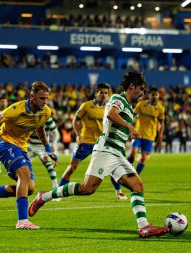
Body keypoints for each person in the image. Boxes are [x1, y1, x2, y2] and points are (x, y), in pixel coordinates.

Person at [28, 71, 170, 238]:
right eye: (141, 89)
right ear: (132, 87)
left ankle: (144, 227)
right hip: (106, 150)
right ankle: (43, 197)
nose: (142, 93)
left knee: (137, 186)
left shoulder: (130, 107)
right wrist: (130, 127)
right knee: (87, 188)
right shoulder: (119, 98)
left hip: (117, 154)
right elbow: (111, 114)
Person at [0, 81, 57, 229]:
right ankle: (22, 221)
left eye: (46, 98)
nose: (45, 102)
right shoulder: (14, 110)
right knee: (24, 176)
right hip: (5, 144)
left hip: (22, 148)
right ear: (32, 97)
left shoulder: (46, 112)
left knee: (29, 188)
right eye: (41, 98)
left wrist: (48, 148)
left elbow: (40, 127)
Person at [58, 83, 127, 200]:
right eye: (101, 92)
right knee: (72, 167)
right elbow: (75, 120)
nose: (104, 95)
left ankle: (119, 191)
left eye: (106, 93)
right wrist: (79, 135)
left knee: (112, 168)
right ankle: (58, 192)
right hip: (86, 142)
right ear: (96, 93)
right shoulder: (86, 106)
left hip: (102, 143)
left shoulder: (110, 108)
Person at [127, 87, 164, 174]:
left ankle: (135, 176)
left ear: (158, 96)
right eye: (152, 94)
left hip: (150, 136)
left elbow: (161, 124)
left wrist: (160, 137)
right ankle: (126, 171)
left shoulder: (160, 108)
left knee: (143, 158)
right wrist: (130, 128)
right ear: (149, 95)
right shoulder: (141, 104)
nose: (154, 96)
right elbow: (132, 115)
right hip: (138, 133)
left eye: (156, 95)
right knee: (133, 152)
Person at [28, 117, 60, 191]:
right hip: (30, 146)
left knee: (48, 164)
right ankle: (26, 185)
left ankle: (55, 186)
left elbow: (55, 132)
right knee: (22, 166)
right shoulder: (28, 115)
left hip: (43, 146)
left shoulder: (47, 117)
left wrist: (54, 144)